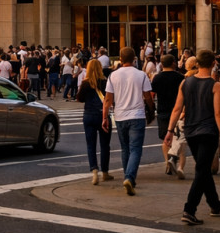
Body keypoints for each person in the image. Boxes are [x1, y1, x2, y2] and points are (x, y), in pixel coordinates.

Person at [167, 49, 220, 225]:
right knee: (202, 170)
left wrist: (170, 130)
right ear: (213, 64)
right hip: (208, 131)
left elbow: (177, 109)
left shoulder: (185, 83)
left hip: (191, 131)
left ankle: (214, 204)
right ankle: (189, 209)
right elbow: (218, 112)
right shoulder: (216, 85)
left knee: (203, 169)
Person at [102, 46, 154, 196]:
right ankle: (130, 178)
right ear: (134, 59)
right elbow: (148, 96)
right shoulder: (141, 75)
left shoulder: (113, 76)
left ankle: (128, 177)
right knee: (136, 149)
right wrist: (151, 109)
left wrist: (104, 117)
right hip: (137, 115)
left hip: (120, 116)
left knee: (125, 148)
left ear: (121, 58)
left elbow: (108, 100)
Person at [76, 58, 112, 185]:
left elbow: (79, 98)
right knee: (105, 145)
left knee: (91, 145)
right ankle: (105, 172)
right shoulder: (105, 82)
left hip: (89, 115)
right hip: (102, 115)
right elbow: (109, 99)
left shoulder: (85, 83)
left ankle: (94, 171)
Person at [151, 54, 186, 180]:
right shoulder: (180, 78)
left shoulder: (157, 78)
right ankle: (180, 166)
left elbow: (152, 94)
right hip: (178, 110)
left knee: (165, 139)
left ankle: (167, 162)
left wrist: (151, 106)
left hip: (163, 111)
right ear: (173, 63)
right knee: (179, 139)